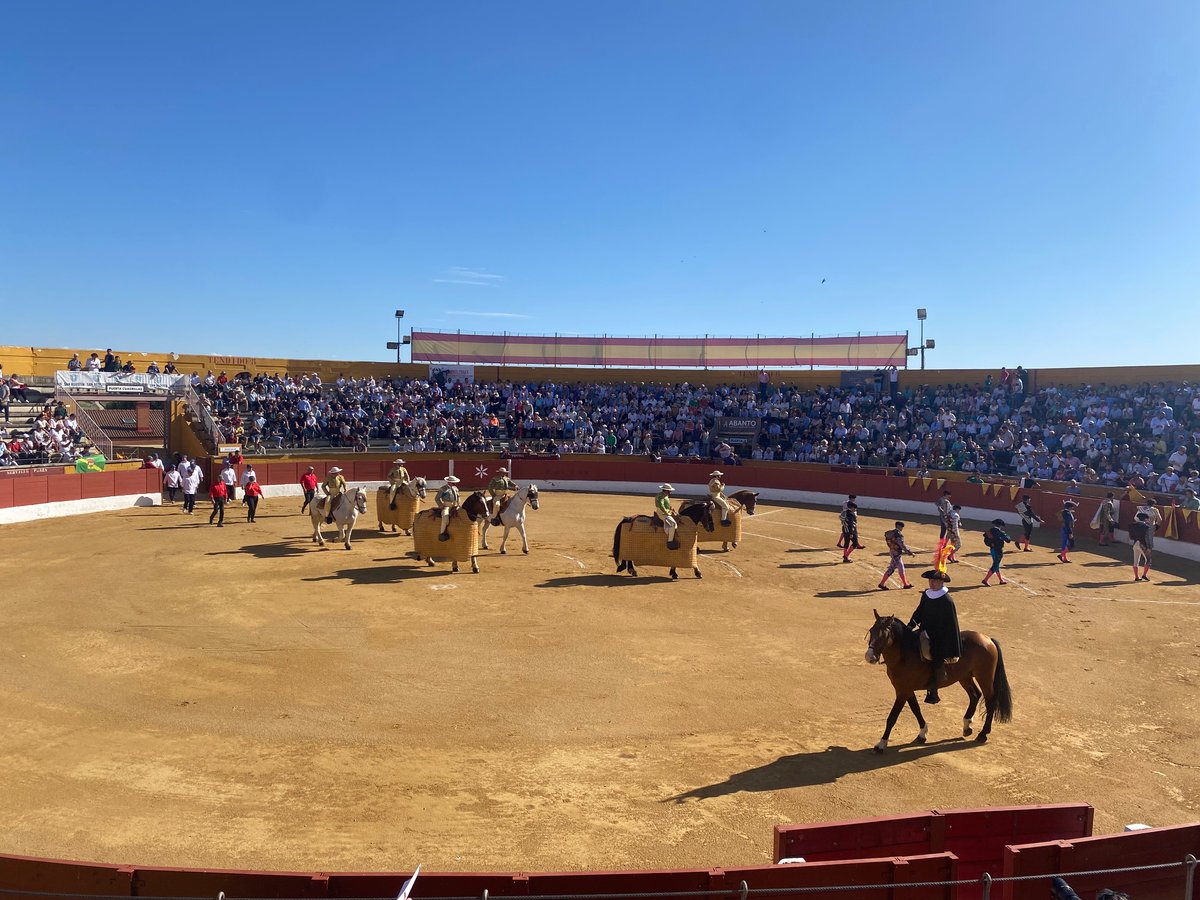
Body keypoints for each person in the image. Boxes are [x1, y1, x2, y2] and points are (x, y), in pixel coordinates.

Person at [907, 570, 961, 704]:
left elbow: (950, 624)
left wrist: (937, 636)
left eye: (935, 581)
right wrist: (910, 626)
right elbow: (919, 612)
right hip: (925, 631)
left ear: (941, 582)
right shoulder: (926, 595)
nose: (932, 583)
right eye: (930, 580)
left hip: (941, 636)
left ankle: (933, 690)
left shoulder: (946, 600)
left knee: (935, 656)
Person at [879, 521, 915, 590]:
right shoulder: (898, 535)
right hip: (896, 553)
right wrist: (910, 552)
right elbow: (902, 545)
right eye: (902, 527)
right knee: (891, 569)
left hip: (892, 551)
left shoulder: (890, 533)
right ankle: (881, 584)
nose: (902, 528)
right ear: (899, 526)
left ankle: (905, 584)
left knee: (901, 568)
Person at [982, 519, 1013, 586]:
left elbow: (985, 541)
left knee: (996, 565)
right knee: (995, 565)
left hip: (992, 550)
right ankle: (985, 580)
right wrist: (1005, 535)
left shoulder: (989, 531)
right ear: (1000, 525)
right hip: (998, 550)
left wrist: (991, 544)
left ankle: (1001, 580)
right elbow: (1008, 540)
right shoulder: (1000, 532)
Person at [436, 474, 461, 541]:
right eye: (454, 482)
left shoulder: (455, 489)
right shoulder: (443, 489)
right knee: (445, 517)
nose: (455, 484)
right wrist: (441, 506)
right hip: (447, 506)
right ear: (449, 482)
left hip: (455, 506)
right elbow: (437, 498)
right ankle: (442, 534)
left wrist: (459, 504)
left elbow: (458, 497)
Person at [654, 483, 679, 550]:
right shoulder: (660, 496)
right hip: (661, 513)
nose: (670, 492)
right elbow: (661, 505)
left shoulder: (665, 496)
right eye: (669, 491)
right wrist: (666, 512)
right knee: (673, 524)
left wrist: (671, 508)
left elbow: (666, 504)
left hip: (666, 512)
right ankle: (670, 542)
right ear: (665, 490)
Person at [1129, 512, 1153, 582]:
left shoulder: (1132, 525)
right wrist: (1148, 547)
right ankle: (1144, 575)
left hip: (1135, 543)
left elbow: (1131, 536)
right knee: (1148, 560)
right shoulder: (1146, 527)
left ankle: (1136, 577)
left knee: (1135, 561)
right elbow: (1147, 538)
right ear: (1145, 519)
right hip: (1143, 545)